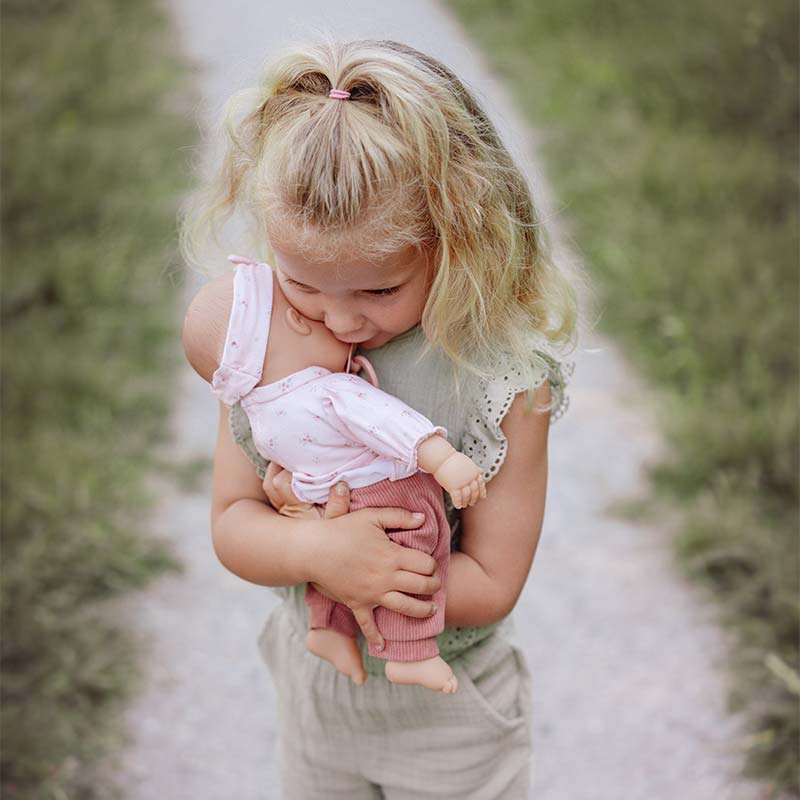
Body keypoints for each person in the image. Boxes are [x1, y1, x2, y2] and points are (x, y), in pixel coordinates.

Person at [179, 36, 578, 800]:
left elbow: (494, 581)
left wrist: (372, 571)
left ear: (458, 238)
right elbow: (233, 518)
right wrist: (315, 552)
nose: (340, 319)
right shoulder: (262, 345)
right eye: (304, 285)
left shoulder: (505, 381)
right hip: (317, 694)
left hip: (451, 713)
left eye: (377, 291)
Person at [183, 253, 487, 691]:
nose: (342, 327)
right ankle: (411, 652)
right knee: (417, 539)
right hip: (384, 494)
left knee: (332, 536)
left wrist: (316, 537)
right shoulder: (332, 389)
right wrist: (442, 459)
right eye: (307, 294)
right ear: (297, 320)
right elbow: (389, 423)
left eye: (379, 289)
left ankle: (325, 629)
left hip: (326, 503)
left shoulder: (261, 417)